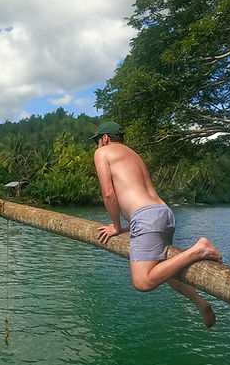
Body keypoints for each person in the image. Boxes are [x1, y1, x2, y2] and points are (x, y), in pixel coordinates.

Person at [91, 121, 220, 328]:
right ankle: (200, 303)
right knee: (162, 271)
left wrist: (116, 226)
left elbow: (109, 194)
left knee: (142, 282)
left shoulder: (103, 153)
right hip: (163, 214)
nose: (96, 146)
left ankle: (199, 249)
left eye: (97, 141)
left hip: (147, 218)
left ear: (105, 138)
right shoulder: (132, 155)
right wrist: (128, 227)